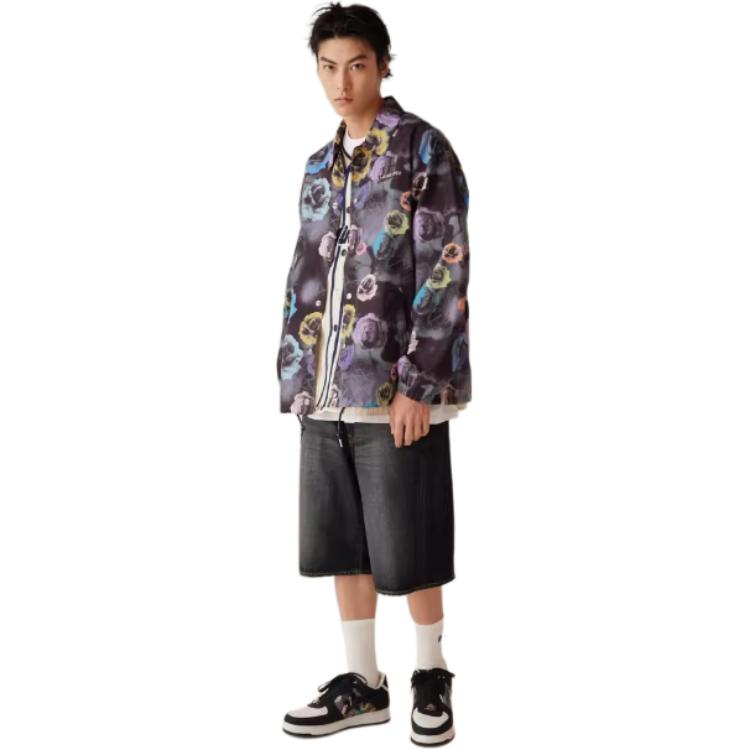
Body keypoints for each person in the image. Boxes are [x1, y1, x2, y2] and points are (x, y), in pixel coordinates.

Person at [276, 4, 472, 744]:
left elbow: (444, 265)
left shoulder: (423, 148)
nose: (342, 83)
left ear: (383, 64)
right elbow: (307, 270)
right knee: (342, 540)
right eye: (328, 67)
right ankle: (363, 682)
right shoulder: (318, 165)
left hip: (397, 388)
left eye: (356, 64)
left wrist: (419, 382)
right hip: (325, 385)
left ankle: (431, 671)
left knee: (411, 536)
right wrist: (298, 373)